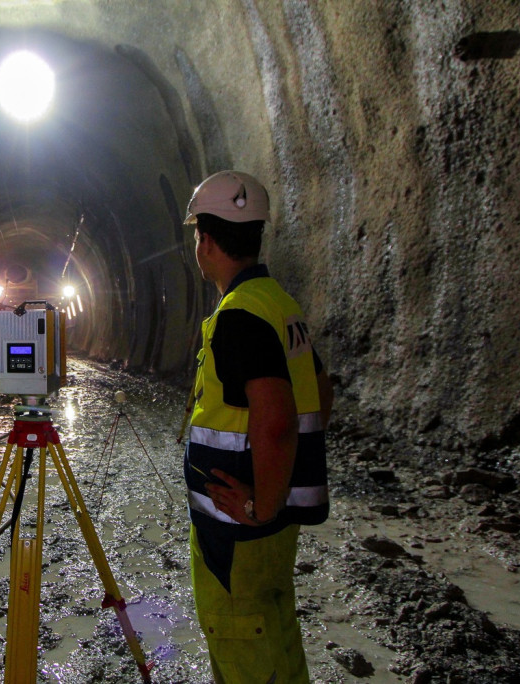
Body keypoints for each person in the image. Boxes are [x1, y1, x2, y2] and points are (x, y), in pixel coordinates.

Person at [182, 171, 334, 683]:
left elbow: (275, 423)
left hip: (239, 535)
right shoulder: (279, 304)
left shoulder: (239, 316)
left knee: (243, 645)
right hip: (272, 529)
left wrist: (258, 504)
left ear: (205, 241)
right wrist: (277, 491)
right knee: (275, 637)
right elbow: (320, 390)